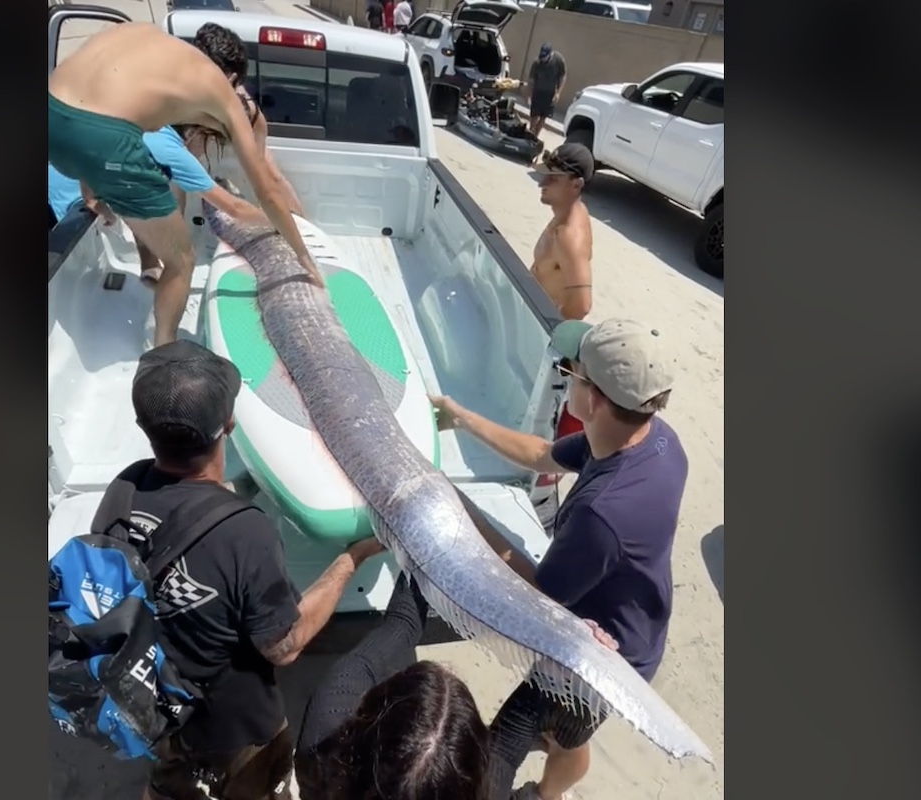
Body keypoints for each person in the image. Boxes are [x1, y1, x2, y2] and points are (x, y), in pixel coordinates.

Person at [93, 340, 386, 800]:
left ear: (143, 428)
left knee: (169, 785)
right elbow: (284, 647)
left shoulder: (123, 488)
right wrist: (353, 557)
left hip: (149, 702)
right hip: (232, 726)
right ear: (228, 424)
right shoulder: (246, 534)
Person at [428, 318, 688, 800]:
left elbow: (535, 595)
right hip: (638, 625)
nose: (565, 374)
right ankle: (552, 794)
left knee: (496, 753)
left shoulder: (603, 513)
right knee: (570, 735)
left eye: (574, 371)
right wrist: (459, 415)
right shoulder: (658, 440)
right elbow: (542, 454)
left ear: (593, 400)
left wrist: (459, 509)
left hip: (598, 660)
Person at [48, 22, 325, 347]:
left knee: (110, 145)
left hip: (53, 111)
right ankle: (163, 350)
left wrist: (90, 189)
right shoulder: (216, 87)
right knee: (182, 260)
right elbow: (267, 190)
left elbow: (90, 110)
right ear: (232, 78)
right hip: (107, 140)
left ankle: (129, 239)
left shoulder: (145, 42)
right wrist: (303, 255)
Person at [294, 575, 618, 800]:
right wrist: (577, 656)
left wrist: (418, 556)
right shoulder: (490, 789)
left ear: (370, 717)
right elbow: (515, 733)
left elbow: (401, 627)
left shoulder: (323, 742)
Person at [47, 124, 269, 284]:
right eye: (207, 144)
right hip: (60, 200)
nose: (204, 154)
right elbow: (233, 207)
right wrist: (281, 225)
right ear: (194, 134)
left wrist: (150, 266)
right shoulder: (172, 153)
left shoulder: (153, 131)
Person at [189, 24, 307, 218]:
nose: (228, 93)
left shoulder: (249, 114)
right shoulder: (169, 103)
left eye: (233, 85)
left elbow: (270, 180)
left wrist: (301, 233)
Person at [532, 142, 595, 438]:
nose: (543, 182)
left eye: (553, 178)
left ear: (576, 184)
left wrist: (549, 333)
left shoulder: (571, 235)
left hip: (542, 333)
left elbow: (581, 304)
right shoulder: (565, 213)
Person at [525, 44, 567, 138]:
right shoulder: (537, 62)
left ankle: (536, 136)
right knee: (534, 116)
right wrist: (529, 95)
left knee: (543, 117)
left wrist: (558, 93)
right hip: (537, 92)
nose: (542, 59)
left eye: (545, 56)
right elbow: (531, 80)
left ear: (550, 54)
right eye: (541, 56)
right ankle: (530, 134)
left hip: (550, 93)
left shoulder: (558, 60)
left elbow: (562, 76)